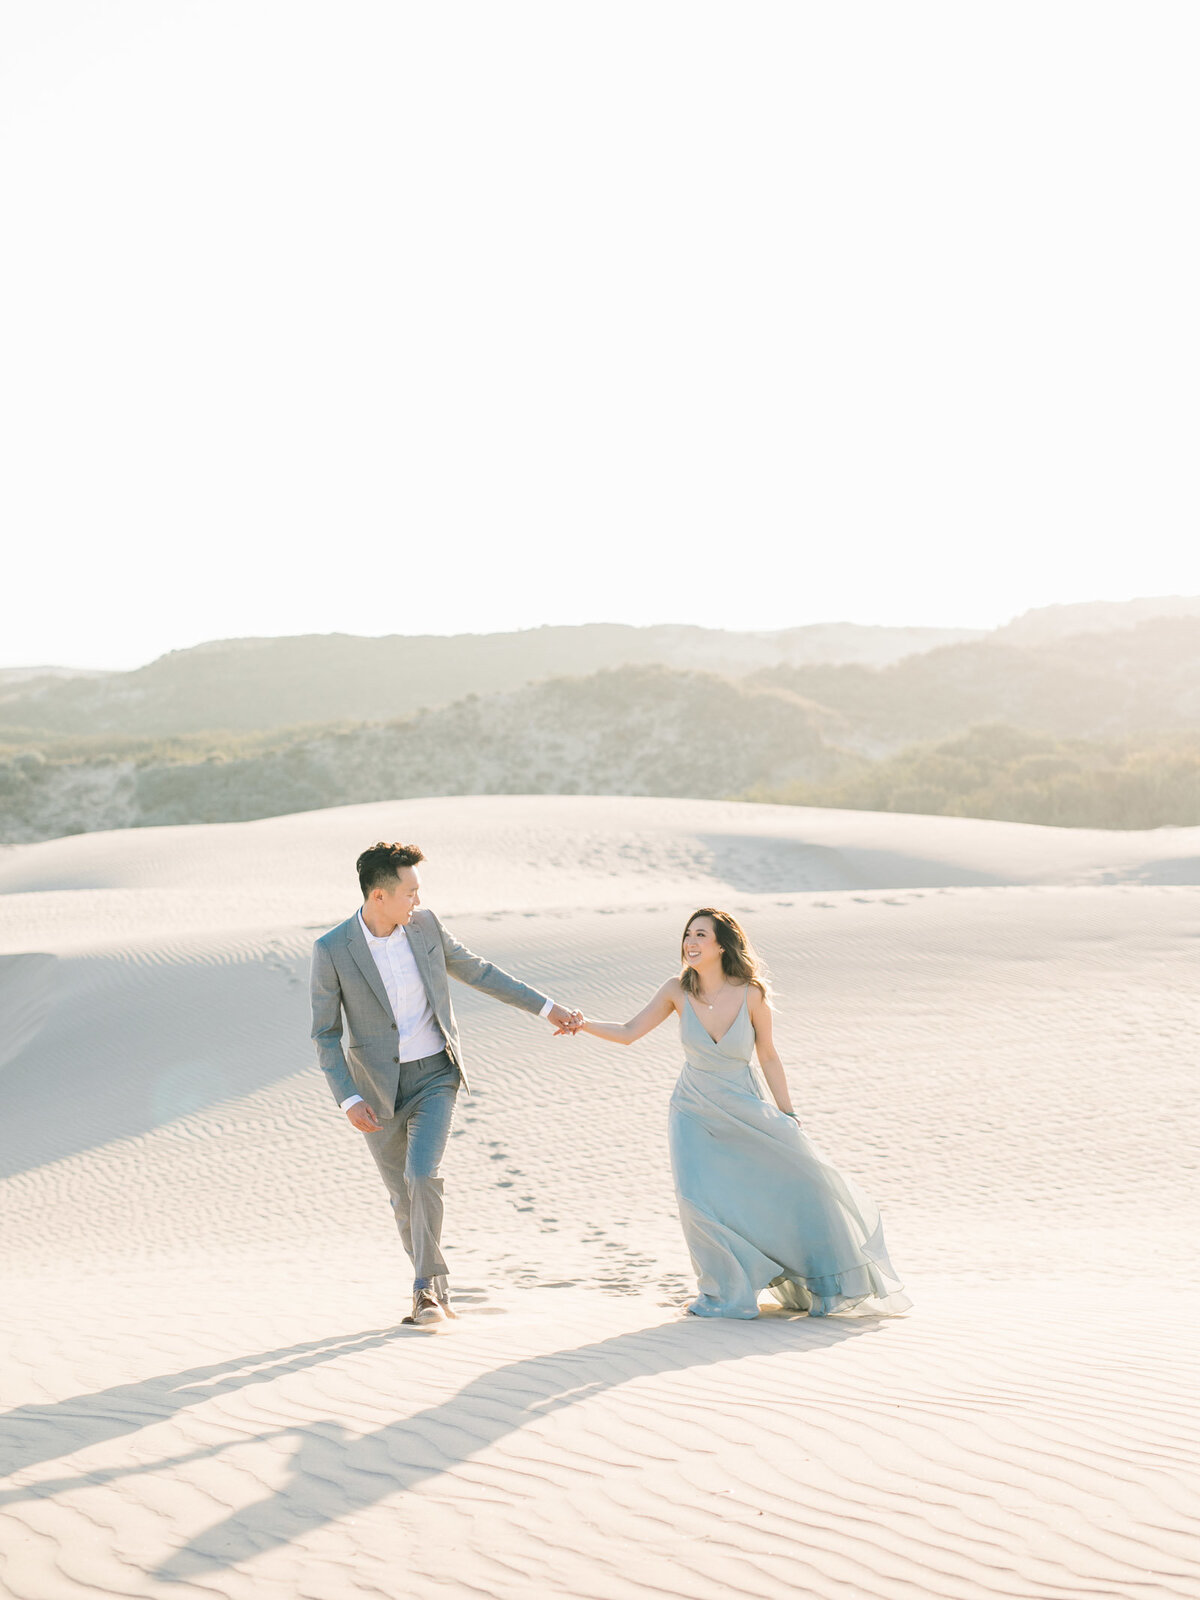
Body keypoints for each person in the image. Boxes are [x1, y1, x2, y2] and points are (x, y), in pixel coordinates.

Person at [569, 907, 911, 1320]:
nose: (690, 943)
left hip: (742, 1105)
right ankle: (722, 1294)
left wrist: (788, 1113)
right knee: (697, 1201)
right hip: (692, 1109)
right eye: (687, 935)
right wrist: (581, 1024)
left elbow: (768, 1055)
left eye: (700, 935)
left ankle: (825, 1279)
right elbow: (628, 1033)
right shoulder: (676, 990)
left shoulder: (752, 993)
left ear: (721, 944)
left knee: (802, 1183)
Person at [310, 841, 582, 1327]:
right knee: (401, 1199)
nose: (418, 899)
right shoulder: (332, 950)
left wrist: (547, 1008)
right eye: (409, 891)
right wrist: (348, 1098)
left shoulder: (427, 926)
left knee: (422, 1177)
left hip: (436, 1075)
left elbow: (480, 972)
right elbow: (325, 1034)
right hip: (376, 1093)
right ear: (379, 896)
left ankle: (424, 1291)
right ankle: (431, 1288)